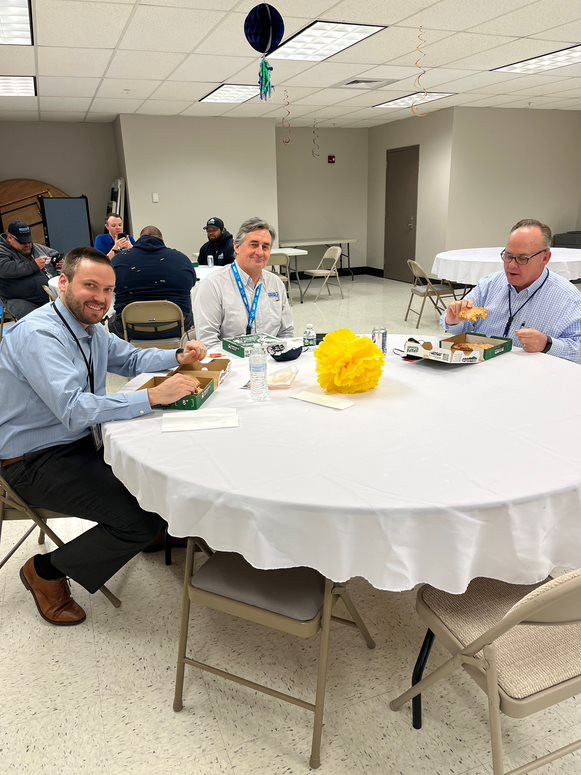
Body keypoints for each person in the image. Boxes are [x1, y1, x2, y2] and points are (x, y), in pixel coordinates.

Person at [0, 247, 207, 626]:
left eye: (108, 290)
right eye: (90, 286)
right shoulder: (39, 334)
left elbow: (129, 360)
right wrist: (151, 397)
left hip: (77, 442)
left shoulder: (90, 328)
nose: (101, 297)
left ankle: (155, 529)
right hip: (33, 460)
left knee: (161, 473)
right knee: (137, 521)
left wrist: (177, 357)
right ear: (63, 283)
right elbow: (75, 408)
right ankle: (44, 571)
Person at [441, 219, 581, 363]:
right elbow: (458, 326)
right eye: (508, 256)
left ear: (545, 258)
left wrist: (547, 344)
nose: (511, 266)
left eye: (522, 259)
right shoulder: (490, 284)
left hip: (531, 377)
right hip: (478, 368)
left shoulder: (569, 299)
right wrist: (454, 321)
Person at [193, 216, 293, 349]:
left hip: (273, 363)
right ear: (237, 247)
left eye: (265, 247)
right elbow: (208, 343)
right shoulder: (212, 285)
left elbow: (286, 333)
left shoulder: (275, 284)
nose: (260, 252)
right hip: (231, 365)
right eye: (254, 244)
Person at [110, 225, 196, 338]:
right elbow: (191, 283)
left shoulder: (118, 261)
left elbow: (110, 288)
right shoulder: (181, 260)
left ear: (139, 240)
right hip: (176, 327)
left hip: (130, 329)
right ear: (162, 240)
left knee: (111, 320)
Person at [0, 220, 61, 319]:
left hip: (49, 293)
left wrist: (60, 262)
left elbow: (55, 254)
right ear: (10, 238)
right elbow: (4, 268)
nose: (27, 244)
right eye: (23, 241)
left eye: (29, 240)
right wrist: (33, 265)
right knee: (36, 321)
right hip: (19, 298)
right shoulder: (2, 249)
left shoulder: (34, 247)